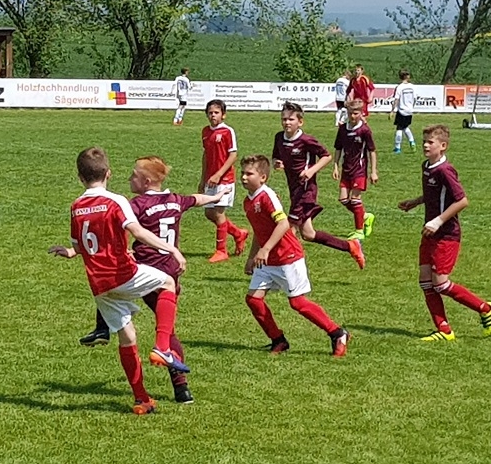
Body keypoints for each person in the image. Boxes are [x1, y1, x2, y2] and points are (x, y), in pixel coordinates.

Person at [78, 156, 233, 403]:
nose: (129, 179)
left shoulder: (137, 204)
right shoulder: (175, 200)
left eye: (133, 176)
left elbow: (119, 227)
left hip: (146, 271)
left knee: (113, 281)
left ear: (146, 181)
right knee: (168, 330)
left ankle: (102, 328)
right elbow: (196, 199)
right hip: (170, 269)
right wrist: (216, 197)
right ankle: (181, 388)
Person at [48, 147, 190, 415]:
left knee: (128, 337)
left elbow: (79, 245)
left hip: (99, 285)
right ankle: (162, 347)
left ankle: (141, 400)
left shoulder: (76, 206)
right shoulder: (116, 201)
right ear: (109, 174)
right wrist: (171, 249)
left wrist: (68, 252)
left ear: (80, 178)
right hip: (123, 273)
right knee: (167, 284)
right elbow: (138, 232)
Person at [239, 154, 351, 356]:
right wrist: (251, 256)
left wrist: (265, 249)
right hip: (268, 260)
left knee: (297, 303)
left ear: (263, 177)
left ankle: (337, 333)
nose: (244, 177)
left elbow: (283, 224)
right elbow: (259, 230)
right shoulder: (248, 201)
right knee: (253, 300)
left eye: (249, 174)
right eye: (242, 173)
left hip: (287, 256)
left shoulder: (267, 196)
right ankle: (278, 340)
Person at [397, 125, 491, 341]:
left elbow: (462, 200)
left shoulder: (445, 170)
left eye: (430, 142)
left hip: (446, 235)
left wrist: (438, 221)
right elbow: (434, 194)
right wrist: (415, 202)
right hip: (430, 233)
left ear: (443, 146)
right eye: (424, 141)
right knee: (425, 281)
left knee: (441, 283)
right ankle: (444, 330)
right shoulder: (426, 166)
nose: (425, 145)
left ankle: (485, 308)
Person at [272, 101, 366, 269]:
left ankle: (285, 267)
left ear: (300, 122)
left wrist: (311, 170)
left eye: (291, 119)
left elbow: (326, 156)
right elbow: (276, 157)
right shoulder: (279, 137)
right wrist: (277, 163)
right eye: (284, 119)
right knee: (308, 234)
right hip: (294, 189)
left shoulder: (306, 140)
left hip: (306, 190)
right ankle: (350, 246)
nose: (287, 122)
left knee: (289, 229)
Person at [200, 99, 250, 263]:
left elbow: (233, 155)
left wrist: (219, 174)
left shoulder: (228, 131)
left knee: (219, 212)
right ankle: (238, 233)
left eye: (216, 112)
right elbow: (206, 155)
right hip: (210, 179)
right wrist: (203, 178)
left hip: (225, 179)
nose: (213, 115)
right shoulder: (205, 131)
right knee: (209, 213)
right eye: (210, 113)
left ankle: (221, 251)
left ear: (223, 115)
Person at [332, 100, 377, 241]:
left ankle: (359, 231)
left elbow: (372, 151)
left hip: (359, 170)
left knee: (355, 199)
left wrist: (373, 171)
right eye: (350, 113)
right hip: (346, 169)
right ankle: (365, 216)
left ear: (361, 113)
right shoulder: (343, 129)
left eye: (356, 113)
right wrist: (335, 166)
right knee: (343, 199)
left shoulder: (364, 130)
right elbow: (338, 148)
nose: (352, 116)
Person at [390, 69, 417, 153]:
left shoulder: (400, 87)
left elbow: (396, 99)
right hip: (409, 110)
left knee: (399, 128)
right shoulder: (412, 86)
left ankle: (397, 147)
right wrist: (411, 107)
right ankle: (412, 142)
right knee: (405, 127)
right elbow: (415, 98)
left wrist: (392, 110)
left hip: (402, 110)